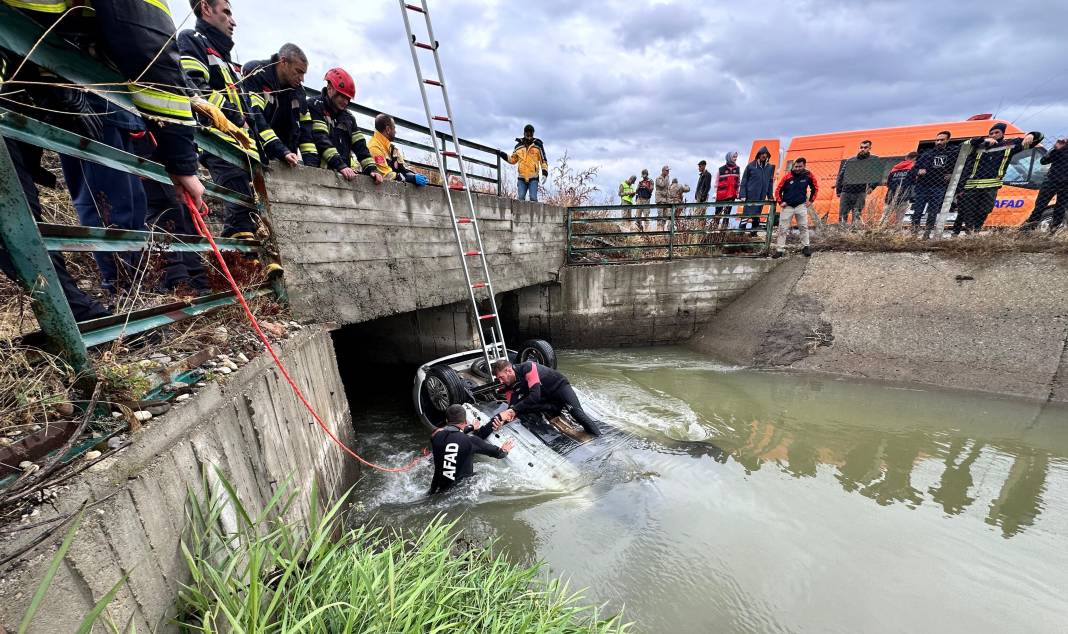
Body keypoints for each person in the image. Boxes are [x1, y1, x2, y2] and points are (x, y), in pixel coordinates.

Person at [0, 0, 210, 319]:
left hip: (26, 69)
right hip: (34, 68)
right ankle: (98, 312)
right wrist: (183, 163)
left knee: (19, 204)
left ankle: (86, 312)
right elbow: (148, 44)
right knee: (20, 205)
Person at [179, 0, 260, 239]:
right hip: (218, 142)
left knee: (248, 209)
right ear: (206, 8)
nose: (233, 21)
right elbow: (198, 91)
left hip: (240, 144)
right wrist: (237, 119)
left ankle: (247, 265)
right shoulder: (192, 40)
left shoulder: (224, 58)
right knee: (239, 208)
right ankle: (240, 266)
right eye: (227, 12)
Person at [57, 95, 148, 300]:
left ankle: (137, 293)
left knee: (134, 209)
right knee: (107, 209)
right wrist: (70, 96)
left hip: (117, 112)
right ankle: (121, 294)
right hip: (90, 108)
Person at [953, 123, 1041, 234]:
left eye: (997, 132)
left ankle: (975, 231)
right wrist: (982, 140)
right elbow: (960, 148)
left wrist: (1032, 135)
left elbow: (1038, 138)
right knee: (969, 211)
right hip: (971, 185)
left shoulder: (1010, 145)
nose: (994, 135)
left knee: (984, 211)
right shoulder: (979, 145)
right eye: (991, 133)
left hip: (992, 185)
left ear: (1003, 134)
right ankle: (971, 233)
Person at [241, 43, 315, 169]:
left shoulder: (298, 92)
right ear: (283, 62)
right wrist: (282, 151)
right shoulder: (256, 73)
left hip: (285, 160)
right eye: (298, 71)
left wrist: (312, 166)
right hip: (252, 154)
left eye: (304, 74)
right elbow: (255, 117)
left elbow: (305, 131)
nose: (302, 79)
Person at [307, 68, 384, 185]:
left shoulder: (348, 117)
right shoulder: (314, 105)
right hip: (318, 174)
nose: (346, 102)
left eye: (348, 98)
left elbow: (360, 145)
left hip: (343, 176)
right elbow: (321, 139)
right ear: (330, 89)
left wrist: (371, 169)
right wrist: (340, 165)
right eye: (342, 96)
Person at [491, 359, 602, 436]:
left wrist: (513, 410)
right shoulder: (509, 386)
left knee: (577, 414)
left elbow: (535, 396)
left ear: (509, 371)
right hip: (548, 400)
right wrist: (503, 421)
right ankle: (554, 409)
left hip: (560, 388)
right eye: (498, 379)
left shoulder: (528, 367)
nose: (500, 381)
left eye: (501, 377)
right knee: (520, 409)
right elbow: (511, 408)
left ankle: (599, 438)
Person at [428, 404, 514, 495]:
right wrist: (505, 450)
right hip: (459, 492)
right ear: (465, 421)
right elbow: (498, 454)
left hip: (434, 490)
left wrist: (470, 427)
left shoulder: (436, 436)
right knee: (482, 477)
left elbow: (451, 433)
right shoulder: (471, 441)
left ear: (446, 420)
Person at [909, 131, 959, 235]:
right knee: (918, 210)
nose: (939, 142)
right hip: (923, 186)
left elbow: (958, 167)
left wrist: (951, 174)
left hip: (939, 186)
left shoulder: (952, 154)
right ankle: (914, 232)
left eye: (942, 140)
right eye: (937, 140)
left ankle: (927, 233)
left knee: (933, 211)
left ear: (947, 140)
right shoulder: (927, 154)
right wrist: (918, 171)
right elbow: (913, 169)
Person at [772, 157, 818, 258]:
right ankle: (779, 249)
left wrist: (810, 201)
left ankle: (806, 247)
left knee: (803, 227)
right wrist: (780, 202)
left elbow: (815, 187)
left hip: (801, 205)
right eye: (796, 166)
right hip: (787, 206)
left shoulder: (808, 175)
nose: (797, 168)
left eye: (799, 166)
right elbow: (778, 190)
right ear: (793, 166)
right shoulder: (787, 176)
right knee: (782, 228)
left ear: (804, 166)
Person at [1022, 137, 1068, 233]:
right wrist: (1055, 148)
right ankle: (1027, 230)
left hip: (1065, 185)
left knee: (1061, 208)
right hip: (1051, 182)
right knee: (1039, 207)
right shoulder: (1059, 149)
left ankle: (1054, 231)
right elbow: (1043, 161)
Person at [368, 114, 429, 185]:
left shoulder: (393, 149)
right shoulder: (374, 147)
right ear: (388, 129)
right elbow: (386, 175)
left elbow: (403, 169)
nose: (395, 132)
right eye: (394, 128)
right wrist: (411, 178)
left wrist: (414, 175)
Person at [835, 140, 877, 226]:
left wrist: (871, 187)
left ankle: (854, 233)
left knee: (857, 214)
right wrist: (838, 190)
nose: (862, 149)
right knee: (842, 215)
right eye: (861, 147)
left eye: (865, 147)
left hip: (860, 191)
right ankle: (842, 234)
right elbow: (841, 175)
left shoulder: (873, 159)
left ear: (869, 148)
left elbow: (877, 175)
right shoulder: (851, 160)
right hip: (846, 191)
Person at [503, 124, 548, 202]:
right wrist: (501, 154)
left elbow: (543, 161)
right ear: (524, 133)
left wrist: (544, 173)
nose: (529, 135)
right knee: (520, 198)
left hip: (533, 177)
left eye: (531, 133)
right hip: (521, 178)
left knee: (533, 198)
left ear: (533, 134)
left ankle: (535, 214)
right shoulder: (518, 146)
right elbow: (512, 160)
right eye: (527, 133)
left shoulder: (538, 145)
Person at [739, 146, 775, 233]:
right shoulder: (751, 166)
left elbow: (770, 182)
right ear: (759, 155)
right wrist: (743, 194)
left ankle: (753, 233)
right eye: (762, 154)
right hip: (750, 195)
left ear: (768, 156)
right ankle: (740, 233)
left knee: (757, 214)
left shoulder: (770, 168)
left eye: (765, 154)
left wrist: (770, 196)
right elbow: (744, 181)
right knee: (746, 214)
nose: (764, 155)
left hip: (761, 196)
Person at [884, 151, 917, 221]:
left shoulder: (895, 167)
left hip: (891, 194)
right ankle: (897, 230)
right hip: (904, 195)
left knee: (885, 216)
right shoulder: (913, 167)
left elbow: (888, 182)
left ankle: (880, 228)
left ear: (906, 158)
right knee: (899, 218)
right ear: (914, 159)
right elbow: (914, 182)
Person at [715, 152, 741, 228]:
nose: (735, 159)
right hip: (721, 195)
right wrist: (715, 193)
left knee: (727, 214)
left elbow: (738, 182)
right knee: (718, 214)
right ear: (729, 157)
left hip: (731, 195)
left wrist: (738, 192)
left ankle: (724, 231)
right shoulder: (721, 169)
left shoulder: (737, 169)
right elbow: (716, 182)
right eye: (734, 157)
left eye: (736, 157)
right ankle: (714, 230)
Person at [695, 160, 712, 228]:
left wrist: (703, 196)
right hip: (699, 197)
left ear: (704, 166)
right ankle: (699, 227)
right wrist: (696, 195)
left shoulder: (707, 175)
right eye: (699, 166)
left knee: (701, 214)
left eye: (700, 166)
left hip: (702, 198)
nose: (699, 168)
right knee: (697, 214)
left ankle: (701, 228)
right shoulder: (702, 175)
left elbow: (708, 187)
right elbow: (699, 186)